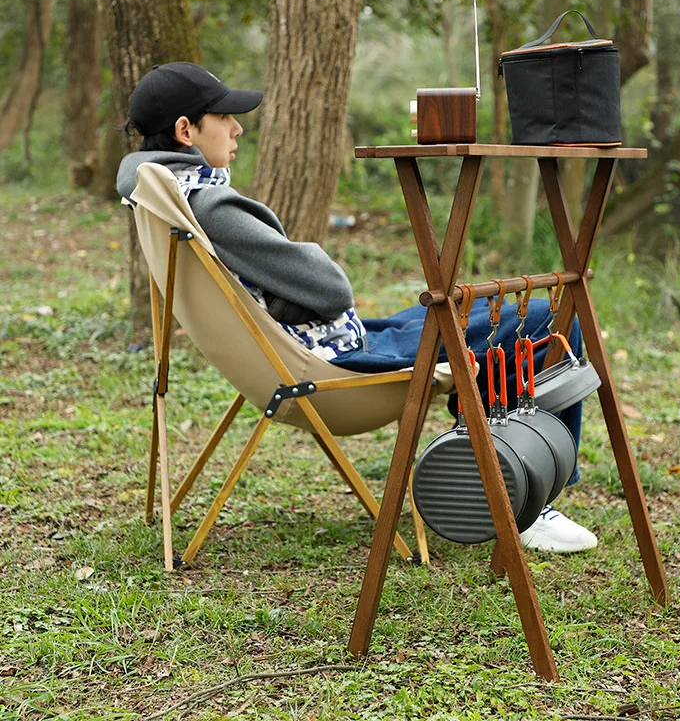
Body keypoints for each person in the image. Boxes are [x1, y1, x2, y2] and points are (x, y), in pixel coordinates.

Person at [116, 62, 597, 554]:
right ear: (184, 130)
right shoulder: (214, 208)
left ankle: (494, 472)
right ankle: (526, 499)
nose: (237, 128)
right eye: (224, 117)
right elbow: (331, 289)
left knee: (474, 305)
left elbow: (261, 294)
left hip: (304, 351)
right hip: (336, 365)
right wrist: (302, 274)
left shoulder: (159, 198)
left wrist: (283, 294)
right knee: (543, 318)